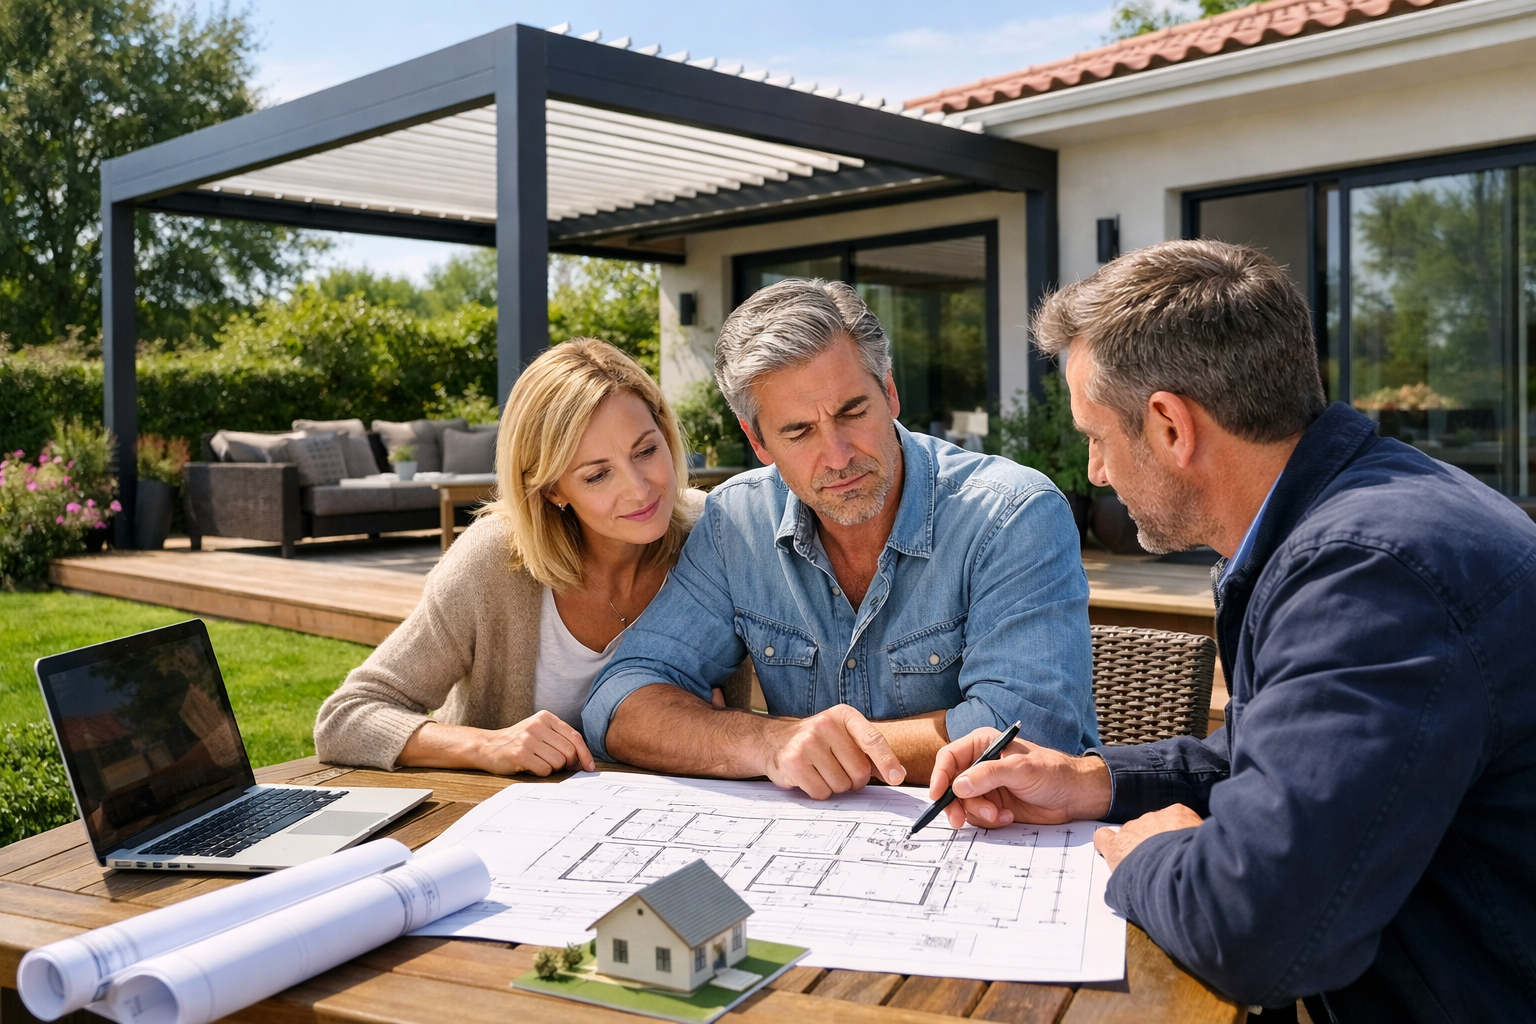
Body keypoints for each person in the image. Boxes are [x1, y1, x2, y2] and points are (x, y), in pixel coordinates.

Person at [929, 239, 1536, 1021]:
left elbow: (1257, 930)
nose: (1096, 474)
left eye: (1097, 438)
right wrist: (1099, 782)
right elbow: (1295, 755)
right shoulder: (1360, 516)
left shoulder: (1367, 574)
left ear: (1171, 427)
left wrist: (1150, 856)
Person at [582, 279, 1097, 798]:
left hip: (995, 842)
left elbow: (1025, 734)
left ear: (890, 392)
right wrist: (769, 742)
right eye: (799, 431)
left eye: (853, 412)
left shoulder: (1011, 514)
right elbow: (620, 700)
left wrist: (823, 751)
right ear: (757, 439)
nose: (838, 456)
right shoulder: (735, 522)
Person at [314, 339, 751, 775]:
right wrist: (486, 745)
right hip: (495, 820)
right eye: (598, 474)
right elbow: (346, 717)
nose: (639, 489)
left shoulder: (713, 536)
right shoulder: (492, 562)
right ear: (551, 488)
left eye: (646, 451)